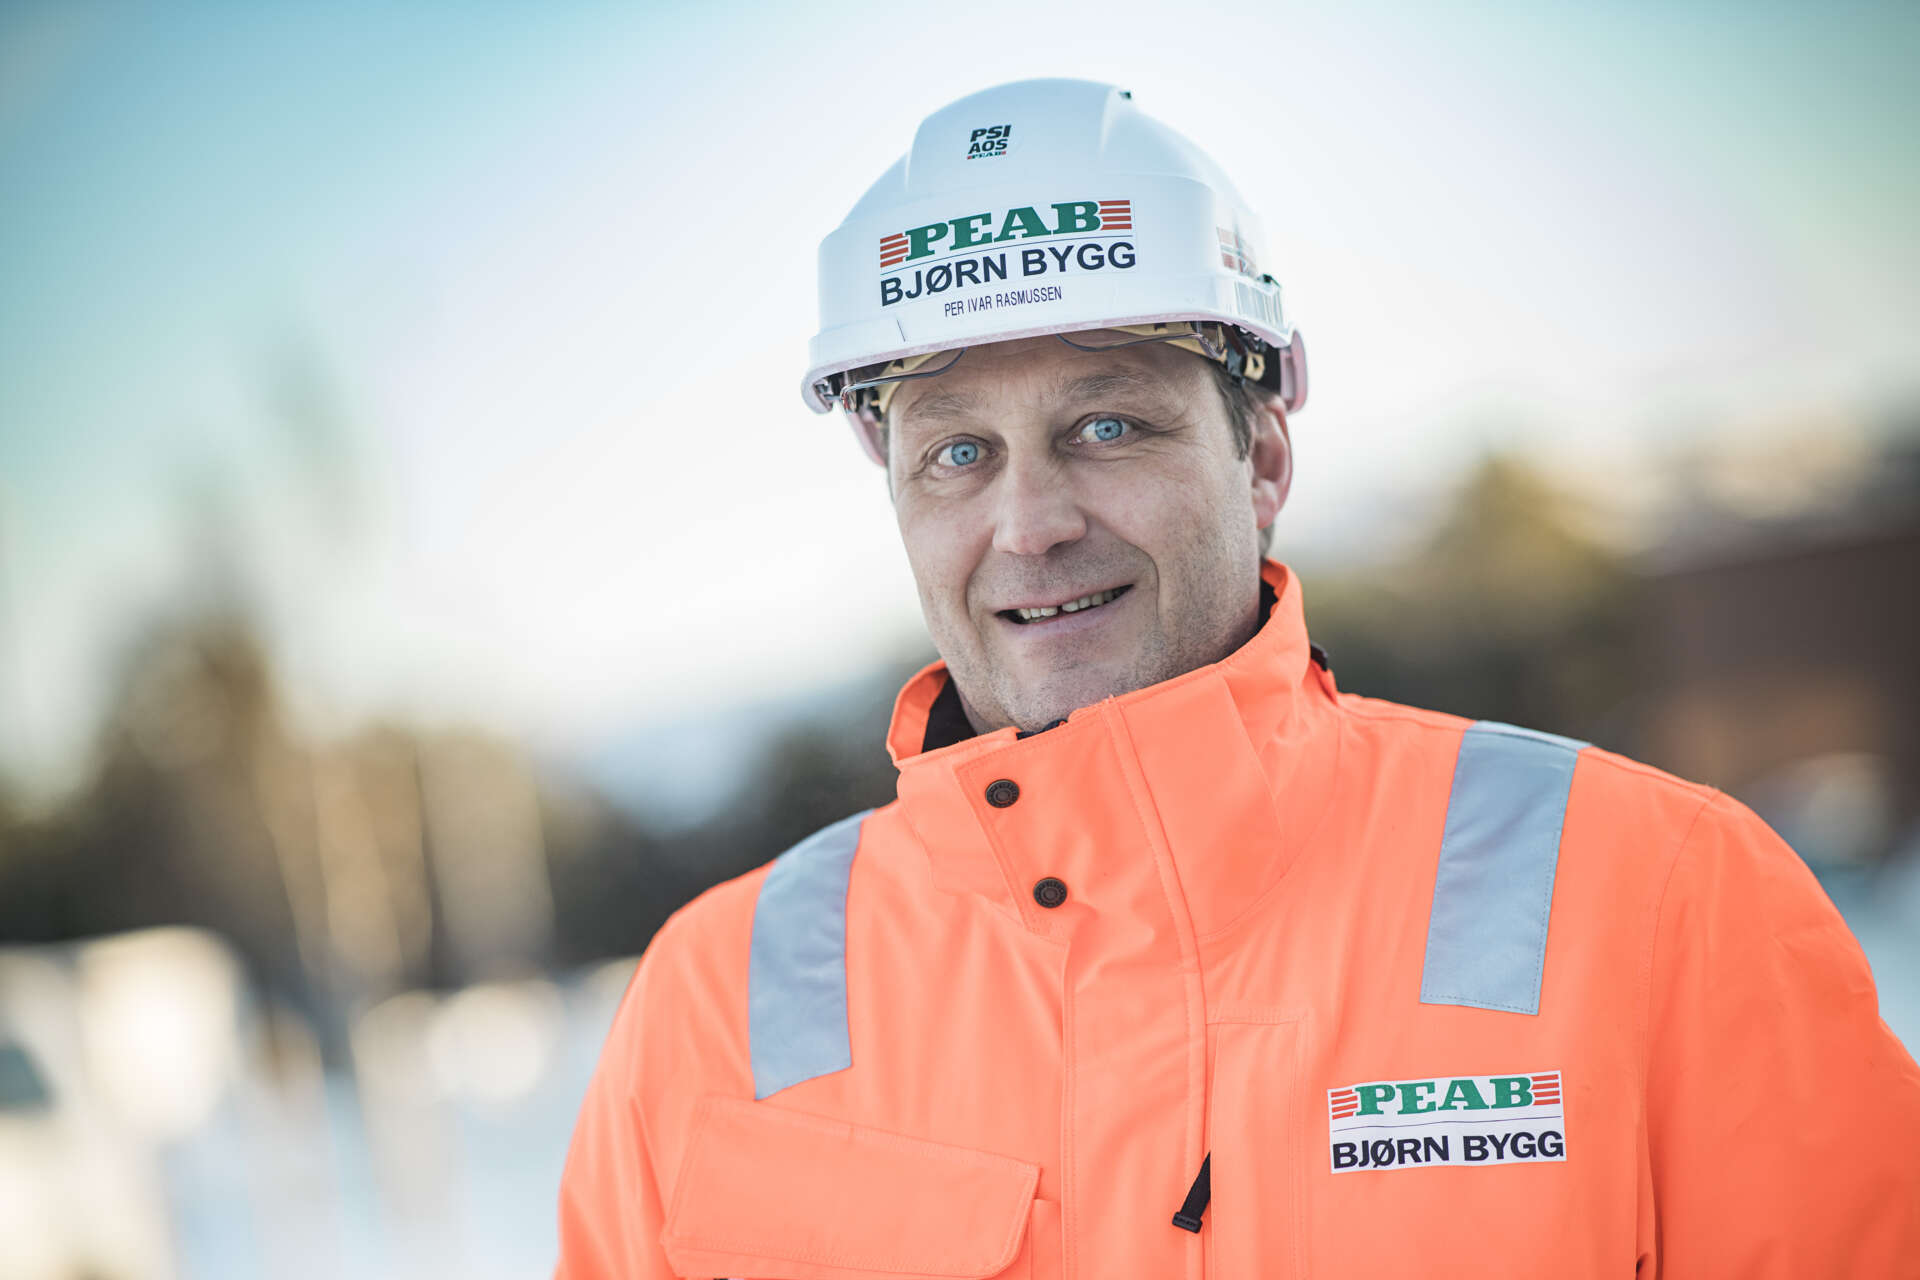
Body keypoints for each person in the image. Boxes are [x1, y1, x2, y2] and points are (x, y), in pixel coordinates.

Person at [555, 78, 1920, 1278]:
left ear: (1261, 457)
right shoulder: (716, 1004)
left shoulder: (1663, 897)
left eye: (1106, 425)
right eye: (957, 454)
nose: (1029, 525)